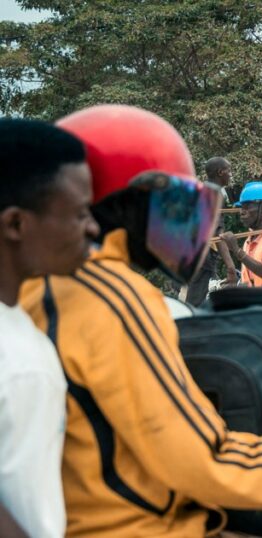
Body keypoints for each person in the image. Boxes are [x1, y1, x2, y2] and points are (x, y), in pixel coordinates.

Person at [19, 104, 262, 537]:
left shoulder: (33, 290)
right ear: (125, 208)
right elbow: (209, 461)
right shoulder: (108, 297)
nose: (180, 222)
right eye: (168, 206)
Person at [0, 118, 99, 538]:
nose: (93, 228)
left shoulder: (21, 331)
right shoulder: (21, 364)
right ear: (17, 225)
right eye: (79, 213)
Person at [180, 157, 237, 305]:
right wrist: (231, 267)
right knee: (197, 301)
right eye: (228, 170)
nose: (230, 174)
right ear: (220, 172)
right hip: (203, 256)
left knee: (201, 295)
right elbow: (217, 234)